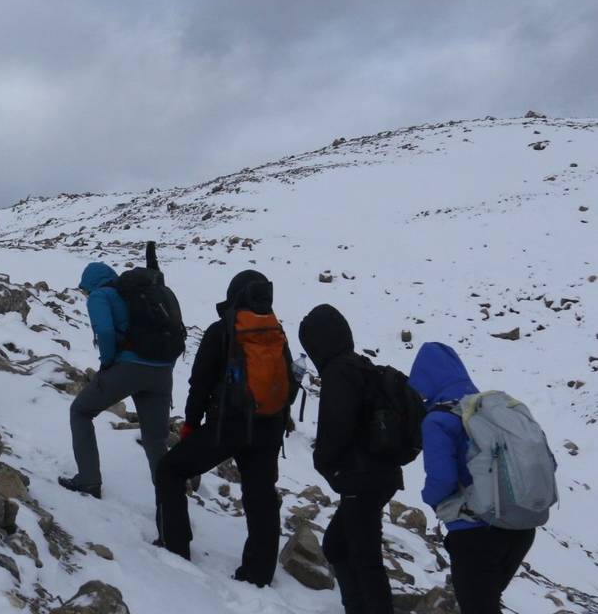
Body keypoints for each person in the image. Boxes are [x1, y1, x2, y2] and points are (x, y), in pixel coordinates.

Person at [156, 269, 295, 587]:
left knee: (170, 470)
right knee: (260, 496)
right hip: (268, 427)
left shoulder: (222, 331)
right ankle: (258, 574)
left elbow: (199, 384)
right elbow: (289, 383)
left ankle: (175, 549)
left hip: (228, 427)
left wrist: (191, 425)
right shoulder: (275, 332)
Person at [408, 342, 537, 614]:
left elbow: (441, 480)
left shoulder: (438, 420)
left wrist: (429, 500)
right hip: (521, 527)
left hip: (476, 533)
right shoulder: (494, 409)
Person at [299, 304, 403, 614]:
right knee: (336, 545)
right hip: (381, 474)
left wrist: (324, 462)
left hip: (361, 478)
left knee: (366, 559)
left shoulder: (338, 372)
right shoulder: (361, 366)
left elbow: (337, 425)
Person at [59, 244, 175, 506]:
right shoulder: (141, 294)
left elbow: (106, 332)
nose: (85, 293)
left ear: (91, 284)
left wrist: (107, 364)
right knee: (156, 440)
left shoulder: (101, 296)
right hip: (162, 371)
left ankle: (88, 479)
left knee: (80, 411)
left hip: (128, 368)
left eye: (84, 289)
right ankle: (171, 517)